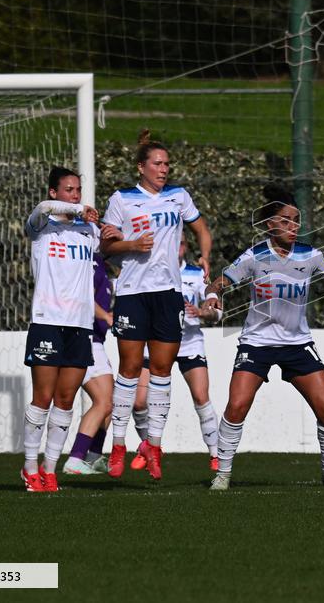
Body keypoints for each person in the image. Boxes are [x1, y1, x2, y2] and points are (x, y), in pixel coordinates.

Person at [204, 185, 324, 491]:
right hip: (256, 343)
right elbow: (222, 281)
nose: (294, 226)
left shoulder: (311, 255)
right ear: (269, 225)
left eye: (296, 220)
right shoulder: (255, 256)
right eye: (286, 220)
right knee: (237, 405)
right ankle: (223, 474)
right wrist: (213, 294)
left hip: (297, 344)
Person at [100, 129, 213, 481]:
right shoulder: (121, 199)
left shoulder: (179, 196)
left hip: (168, 294)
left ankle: (153, 445)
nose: (164, 169)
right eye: (157, 164)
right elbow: (107, 247)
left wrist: (206, 255)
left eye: (167, 164)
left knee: (162, 371)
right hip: (133, 292)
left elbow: (201, 229)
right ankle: (118, 444)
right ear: (141, 167)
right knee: (130, 368)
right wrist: (132, 244)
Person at [21, 166, 108, 492]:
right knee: (42, 397)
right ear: (55, 193)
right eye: (68, 190)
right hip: (47, 321)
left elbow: (110, 246)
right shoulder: (41, 227)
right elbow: (42, 208)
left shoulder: (89, 231)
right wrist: (76, 209)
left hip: (81, 325)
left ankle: (49, 469)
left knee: (66, 399)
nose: (75, 195)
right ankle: (30, 467)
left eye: (78, 190)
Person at [129, 235, 223, 472]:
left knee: (201, 397)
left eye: (182, 243)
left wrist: (203, 313)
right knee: (139, 403)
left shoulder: (196, 274)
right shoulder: (151, 273)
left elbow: (218, 314)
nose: (177, 247)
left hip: (189, 345)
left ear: (186, 248)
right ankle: (149, 447)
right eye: (174, 242)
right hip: (156, 344)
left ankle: (216, 455)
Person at [62, 252, 114, 475]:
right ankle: (75, 459)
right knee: (102, 401)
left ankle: (93, 456)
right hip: (84, 339)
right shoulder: (89, 260)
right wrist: (107, 316)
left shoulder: (102, 263)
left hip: (95, 341)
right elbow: (83, 298)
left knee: (110, 402)